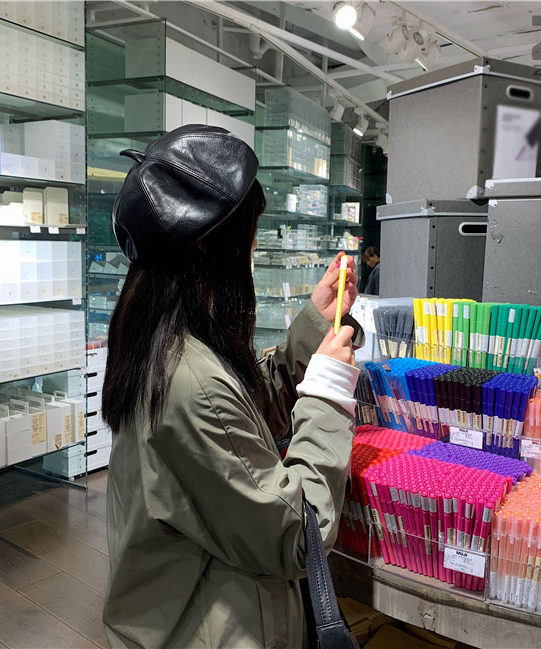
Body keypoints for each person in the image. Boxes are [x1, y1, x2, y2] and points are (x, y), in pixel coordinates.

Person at [101, 125, 362, 649]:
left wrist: (314, 325)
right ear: (207, 243)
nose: (253, 247)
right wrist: (328, 395)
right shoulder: (189, 382)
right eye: (248, 233)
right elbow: (299, 535)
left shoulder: (159, 338)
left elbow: (238, 410)